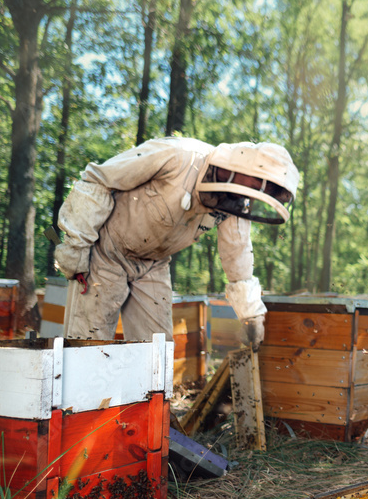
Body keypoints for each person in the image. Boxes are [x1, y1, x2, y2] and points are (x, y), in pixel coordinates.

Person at [54, 137, 299, 350]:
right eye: (258, 188)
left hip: (154, 265)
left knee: (156, 353)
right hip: (105, 254)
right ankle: (83, 405)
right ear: (244, 169)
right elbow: (98, 180)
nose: (249, 198)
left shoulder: (235, 202)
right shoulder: (178, 156)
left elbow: (238, 256)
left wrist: (250, 314)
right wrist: (76, 247)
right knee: (88, 348)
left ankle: (144, 406)